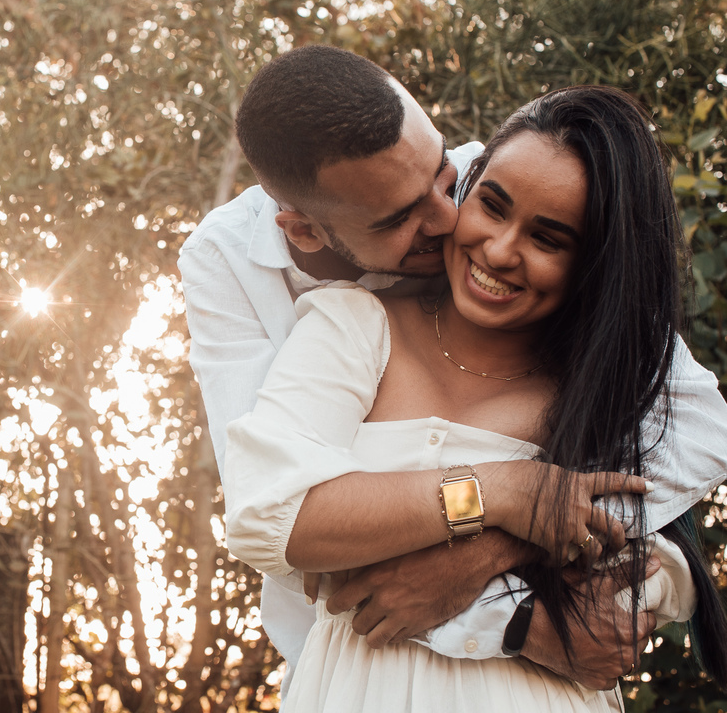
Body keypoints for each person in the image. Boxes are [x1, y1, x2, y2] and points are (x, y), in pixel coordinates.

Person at [178, 46, 727, 693]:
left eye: (444, 178)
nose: (451, 222)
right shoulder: (234, 269)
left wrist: (494, 550)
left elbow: (694, 424)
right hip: (353, 658)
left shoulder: (494, 181)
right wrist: (499, 518)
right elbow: (277, 510)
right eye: (399, 219)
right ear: (304, 233)